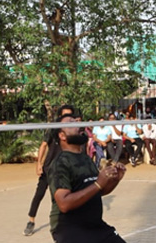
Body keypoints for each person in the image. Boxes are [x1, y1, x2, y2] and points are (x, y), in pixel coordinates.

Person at [48, 113, 126, 243]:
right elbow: (64, 204)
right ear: (62, 136)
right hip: (70, 228)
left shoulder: (85, 158)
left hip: (95, 226)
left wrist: (114, 179)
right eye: (71, 123)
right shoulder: (60, 163)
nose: (78, 124)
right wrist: (98, 184)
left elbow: (97, 191)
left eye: (77, 121)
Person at [25, 104, 75, 237]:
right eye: (64, 115)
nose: (67, 118)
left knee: (62, 196)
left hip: (63, 169)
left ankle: (65, 223)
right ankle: (31, 221)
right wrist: (39, 164)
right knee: (39, 194)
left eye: (69, 116)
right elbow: (43, 145)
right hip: (48, 168)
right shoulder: (53, 130)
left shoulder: (73, 131)